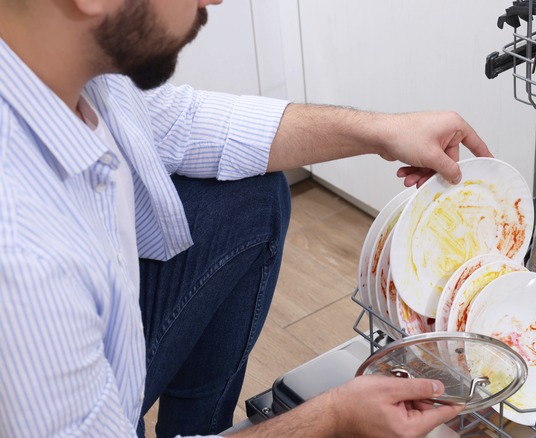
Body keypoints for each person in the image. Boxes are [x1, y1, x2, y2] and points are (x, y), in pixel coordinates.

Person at [0, 0, 493, 437]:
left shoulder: (66, 68)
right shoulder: (25, 256)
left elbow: (183, 122)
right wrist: (332, 419)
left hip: (95, 343)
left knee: (251, 196)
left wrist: (382, 131)